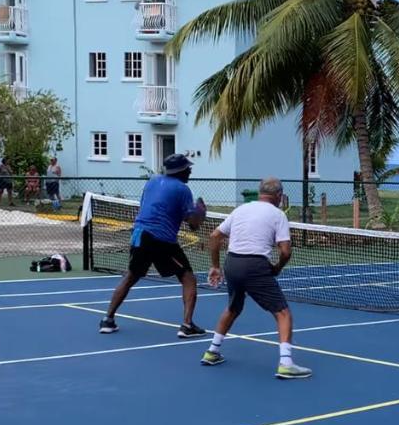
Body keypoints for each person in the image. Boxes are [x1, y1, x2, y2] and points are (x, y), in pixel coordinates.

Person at [200, 177, 311, 379]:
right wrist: (277, 268)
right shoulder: (278, 215)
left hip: (232, 263)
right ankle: (286, 363)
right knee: (283, 313)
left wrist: (215, 266)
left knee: (233, 308)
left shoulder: (241, 210)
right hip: (255, 266)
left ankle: (212, 351)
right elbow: (286, 251)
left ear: (261, 193)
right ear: (278, 196)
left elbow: (215, 236)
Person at [99, 154, 208, 337]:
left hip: (140, 235)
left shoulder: (151, 182)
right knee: (188, 278)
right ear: (181, 171)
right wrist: (201, 213)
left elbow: (148, 207)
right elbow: (193, 225)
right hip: (161, 240)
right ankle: (187, 325)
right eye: (188, 168)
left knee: (131, 276)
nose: (190, 170)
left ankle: (107, 320)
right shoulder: (183, 189)